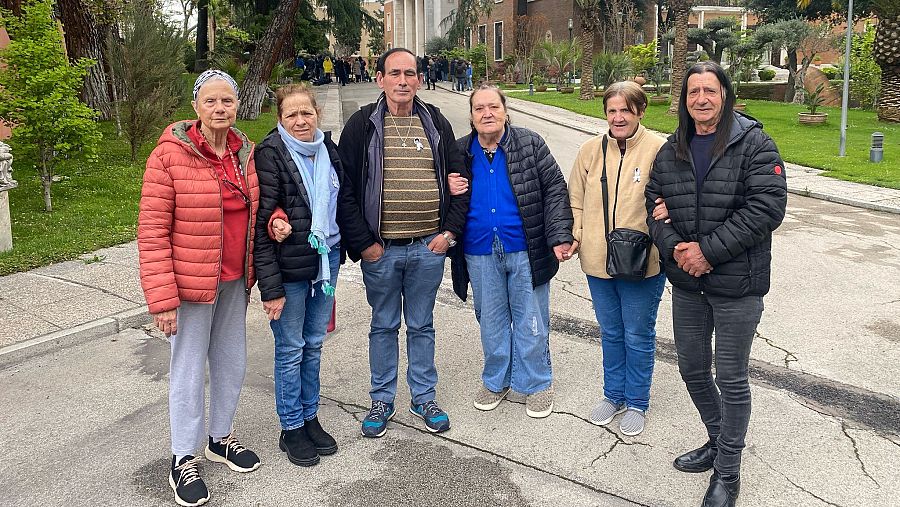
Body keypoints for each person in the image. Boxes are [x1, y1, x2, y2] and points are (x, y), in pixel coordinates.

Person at [645, 61, 787, 507]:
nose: (701, 99)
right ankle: (718, 438)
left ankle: (728, 472)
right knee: (691, 369)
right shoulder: (672, 150)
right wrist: (678, 249)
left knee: (731, 377)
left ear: (724, 95)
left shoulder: (755, 144)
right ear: (684, 101)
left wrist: (706, 251)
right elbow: (653, 204)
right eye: (693, 92)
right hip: (688, 285)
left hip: (737, 287)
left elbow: (766, 208)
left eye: (709, 90)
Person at [138, 70, 261, 507]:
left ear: (237, 105)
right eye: (211, 102)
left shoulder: (244, 152)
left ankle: (220, 437)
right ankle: (182, 457)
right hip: (189, 286)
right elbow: (152, 231)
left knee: (231, 361)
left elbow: (254, 211)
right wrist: (163, 299)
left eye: (227, 100)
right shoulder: (169, 157)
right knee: (188, 370)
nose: (220, 109)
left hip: (233, 280)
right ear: (196, 108)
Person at [337, 47, 470, 438]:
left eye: (410, 73)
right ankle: (382, 398)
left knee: (422, 324)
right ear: (380, 79)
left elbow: (459, 182)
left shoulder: (435, 122)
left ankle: (423, 397)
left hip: (428, 247)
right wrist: (364, 244)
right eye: (394, 73)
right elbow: (344, 190)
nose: (403, 81)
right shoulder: (362, 125)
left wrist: (447, 235)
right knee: (383, 325)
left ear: (418, 78)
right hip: (382, 251)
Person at [448, 85, 573, 418]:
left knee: (531, 318)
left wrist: (560, 235)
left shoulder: (530, 144)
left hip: (524, 247)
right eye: (479, 109)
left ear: (505, 110)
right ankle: (496, 380)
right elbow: (445, 196)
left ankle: (536, 382)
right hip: (478, 250)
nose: (487, 114)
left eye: (493, 106)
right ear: (472, 116)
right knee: (491, 320)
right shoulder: (460, 151)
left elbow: (556, 190)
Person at [253, 84, 344, 468]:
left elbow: (346, 199)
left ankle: (310, 417)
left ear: (316, 114)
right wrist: (271, 289)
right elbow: (261, 222)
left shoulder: (327, 149)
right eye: (291, 114)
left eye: (306, 112)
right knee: (290, 348)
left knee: (313, 344)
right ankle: (291, 426)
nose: (300, 120)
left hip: (325, 259)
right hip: (288, 267)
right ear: (280, 118)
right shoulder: (270, 153)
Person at [568, 81, 666, 437]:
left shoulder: (659, 149)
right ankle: (614, 394)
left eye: (626, 109)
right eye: (612, 110)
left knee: (637, 333)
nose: (618, 117)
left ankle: (637, 401)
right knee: (610, 331)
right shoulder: (590, 151)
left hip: (643, 260)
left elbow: (670, 201)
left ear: (640, 111)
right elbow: (575, 199)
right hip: (597, 259)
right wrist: (576, 235)